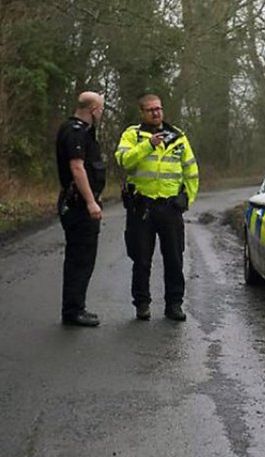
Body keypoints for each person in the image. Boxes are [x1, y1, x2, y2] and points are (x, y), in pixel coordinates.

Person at [115, 93, 199, 321]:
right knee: (141, 258)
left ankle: (174, 304)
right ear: (142, 112)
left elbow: (191, 171)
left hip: (170, 207)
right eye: (151, 110)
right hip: (141, 207)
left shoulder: (178, 136)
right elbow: (124, 160)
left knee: (174, 258)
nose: (156, 113)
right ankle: (142, 303)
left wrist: (186, 199)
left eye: (159, 109)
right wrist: (147, 146)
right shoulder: (132, 135)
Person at [56, 91, 106, 327]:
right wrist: (90, 202)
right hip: (78, 205)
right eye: (101, 110)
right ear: (94, 109)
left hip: (78, 203)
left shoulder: (78, 130)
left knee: (81, 257)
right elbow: (77, 168)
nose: (102, 114)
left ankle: (75, 307)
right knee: (80, 259)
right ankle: (74, 310)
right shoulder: (75, 132)